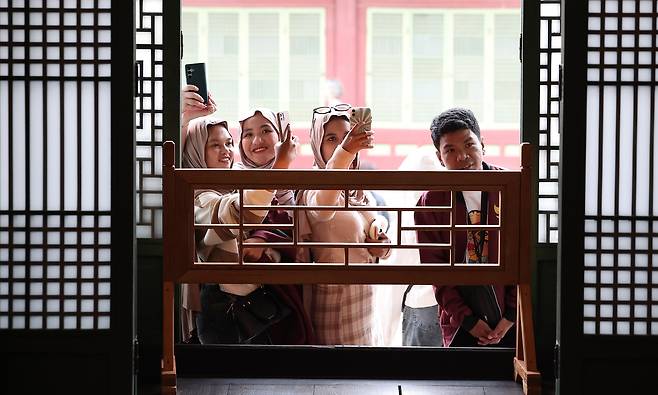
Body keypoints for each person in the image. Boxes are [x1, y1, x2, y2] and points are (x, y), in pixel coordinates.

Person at [414, 108, 516, 347]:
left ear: (483, 145)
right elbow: (434, 268)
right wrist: (468, 320)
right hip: (460, 317)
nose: (463, 157)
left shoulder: (510, 189)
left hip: (510, 314)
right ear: (439, 157)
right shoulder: (431, 200)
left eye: (469, 145)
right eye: (450, 150)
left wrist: (511, 316)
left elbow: (524, 256)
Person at [297, 104, 391, 345]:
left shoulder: (359, 189)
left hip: (366, 300)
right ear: (318, 144)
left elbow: (371, 236)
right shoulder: (313, 187)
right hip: (335, 301)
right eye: (332, 139)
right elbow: (323, 208)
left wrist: (382, 247)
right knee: (340, 376)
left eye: (346, 137)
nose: (340, 144)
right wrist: (346, 150)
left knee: (367, 378)